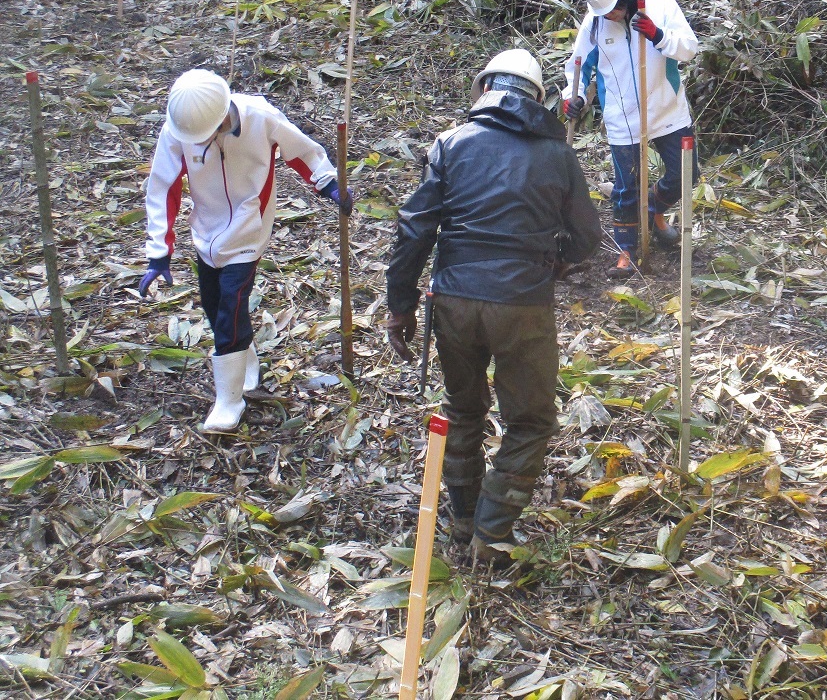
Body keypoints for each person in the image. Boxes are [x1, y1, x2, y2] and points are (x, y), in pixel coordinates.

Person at [384, 49, 601, 563]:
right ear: (537, 100)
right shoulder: (558, 155)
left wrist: (400, 305)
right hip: (523, 303)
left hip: (454, 300)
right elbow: (588, 237)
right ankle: (492, 530)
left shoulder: (451, 143)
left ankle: (464, 520)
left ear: (485, 90)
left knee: (462, 408)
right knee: (530, 420)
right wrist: (558, 262)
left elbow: (414, 230)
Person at [140, 69, 352, 433]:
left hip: (249, 227)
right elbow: (162, 187)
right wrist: (159, 251)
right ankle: (243, 356)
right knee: (214, 306)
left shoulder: (259, 116)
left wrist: (329, 184)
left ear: (223, 115)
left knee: (232, 304)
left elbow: (301, 151)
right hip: (206, 230)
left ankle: (229, 400)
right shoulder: (179, 131)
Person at [562, 0, 699, 279]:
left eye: (613, 9)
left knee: (686, 173)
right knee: (626, 189)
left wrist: (658, 36)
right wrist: (575, 96)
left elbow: (689, 49)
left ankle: (652, 210)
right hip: (622, 119)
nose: (609, 15)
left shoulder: (662, 5)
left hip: (668, 111)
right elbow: (577, 66)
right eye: (603, 11)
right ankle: (627, 251)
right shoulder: (594, 23)